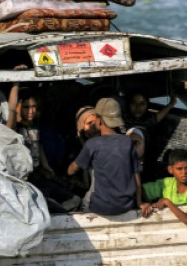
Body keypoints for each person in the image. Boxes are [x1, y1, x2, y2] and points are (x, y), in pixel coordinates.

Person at [8, 83, 81, 211]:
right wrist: (15, 84)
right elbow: (12, 109)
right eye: (26, 107)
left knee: (74, 200)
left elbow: (38, 145)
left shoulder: (35, 126)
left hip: (38, 174)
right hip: (24, 179)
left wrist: (46, 166)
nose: (31, 111)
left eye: (34, 107)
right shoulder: (13, 128)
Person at [67, 106, 149, 216]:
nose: (92, 126)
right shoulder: (127, 142)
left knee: (80, 204)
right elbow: (136, 177)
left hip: (101, 206)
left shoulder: (92, 144)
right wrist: (139, 202)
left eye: (93, 121)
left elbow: (71, 170)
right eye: (88, 123)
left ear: (99, 120)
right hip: (126, 205)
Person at [141, 149, 187, 225]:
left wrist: (167, 202)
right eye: (179, 169)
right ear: (170, 169)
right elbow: (142, 190)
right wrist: (147, 203)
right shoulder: (166, 183)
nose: (184, 172)